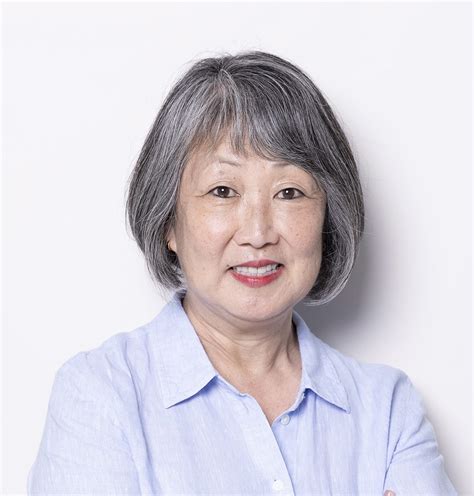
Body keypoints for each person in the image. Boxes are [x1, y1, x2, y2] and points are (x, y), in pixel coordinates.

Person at [28, 51, 457, 495]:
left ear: (327, 217)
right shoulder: (99, 395)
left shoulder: (387, 412)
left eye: (289, 192)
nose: (257, 233)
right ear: (169, 222)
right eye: (223, 191)